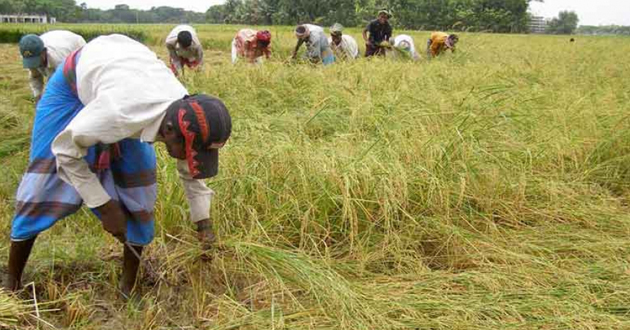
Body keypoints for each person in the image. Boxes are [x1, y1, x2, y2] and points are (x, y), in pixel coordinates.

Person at [5, 35, 231, 299]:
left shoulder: (185, 110)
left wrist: (203, 225)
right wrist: (104, 205)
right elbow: (65, 151)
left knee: (140, 190)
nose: (192, 157)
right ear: (168, 131)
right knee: (44, 181)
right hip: (73, 84)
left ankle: (128, 288)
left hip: (124, 75)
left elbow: (190, 170)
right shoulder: (119, 112)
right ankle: (12, 281)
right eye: (191, 150)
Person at [19, 31, 86, 102]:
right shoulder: (28, 55)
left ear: (44, 51)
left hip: (77, 45)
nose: (35, 65)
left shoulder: (59, 58)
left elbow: (64, 83)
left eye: (37, 60)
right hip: (54, 42)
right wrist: (37, 96)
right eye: (31, 61)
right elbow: (35, 76)